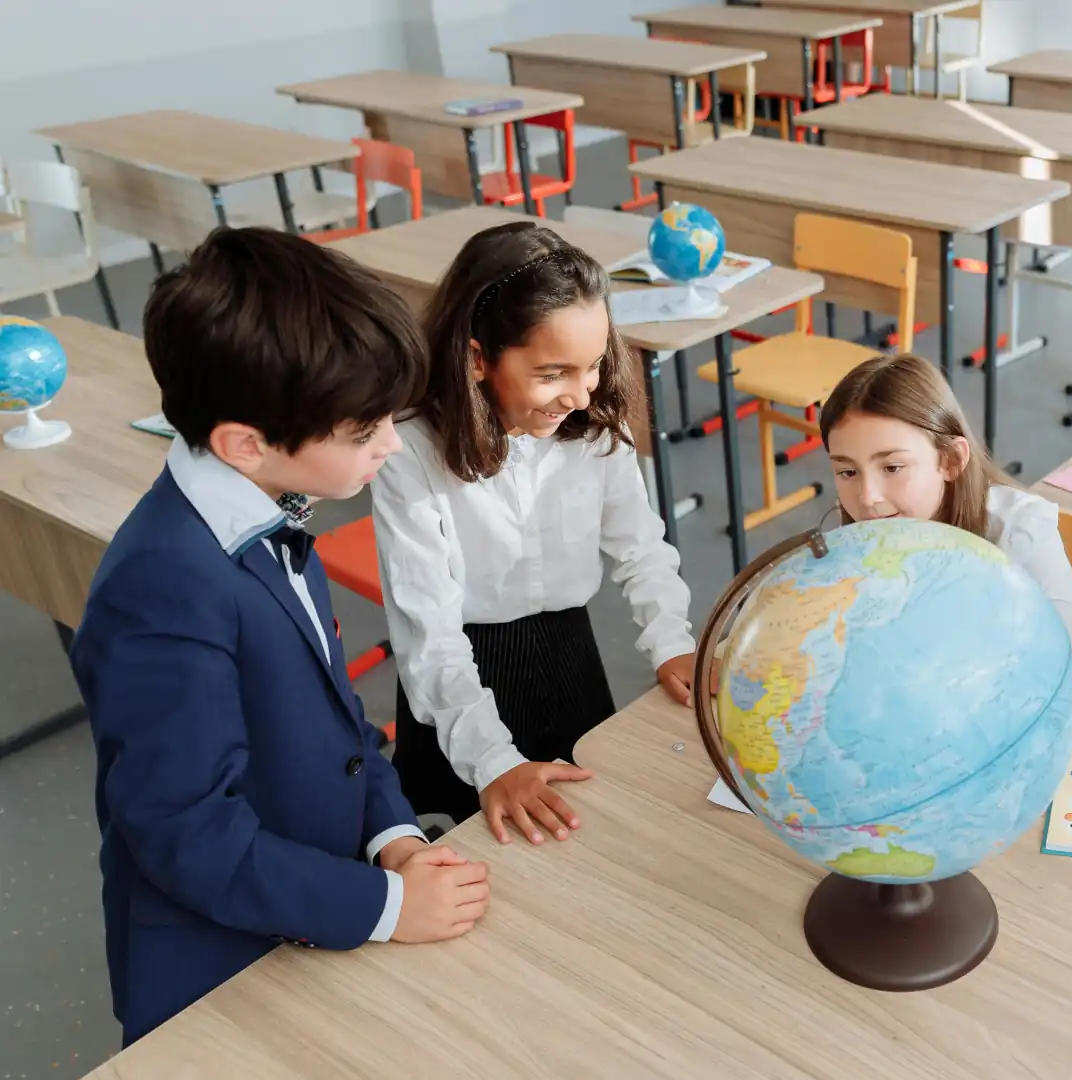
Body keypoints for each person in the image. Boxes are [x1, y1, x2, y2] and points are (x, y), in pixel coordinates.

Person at [70, 228, 489, 1046]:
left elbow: (334, 720)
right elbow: (185, 831)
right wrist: (386, 907)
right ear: (245, 443)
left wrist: (393, 838)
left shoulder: (265, 507)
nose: (392, 444)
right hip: (219, 969)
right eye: (364, 430)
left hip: (312, 901)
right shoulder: (164, 589)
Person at [373, 222, 695, 847]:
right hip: (461, 678)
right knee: (488, 847)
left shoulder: (594, 423)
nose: (580, 393)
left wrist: (672, 641)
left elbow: (641, 546)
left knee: (585, 830)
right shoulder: (409, 449)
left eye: (596, 364)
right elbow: (429, 636)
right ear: (475, 358)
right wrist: (493, 762)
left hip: (567, 656)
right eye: (553, 373)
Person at [819, 353, 1072, 715]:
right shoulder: (854, 536)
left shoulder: (1019, 532)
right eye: (847, 472)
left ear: (950, 460)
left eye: (892, 467)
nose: (868, 497)